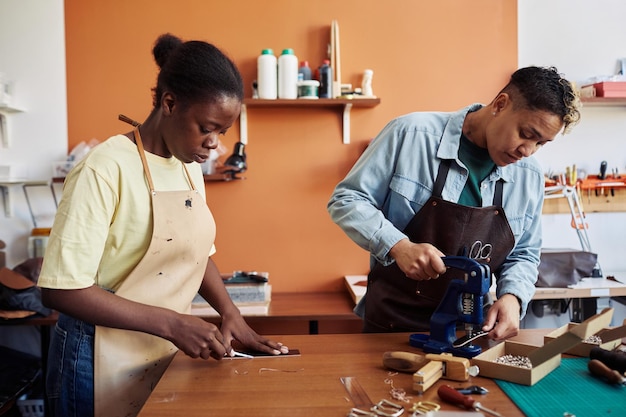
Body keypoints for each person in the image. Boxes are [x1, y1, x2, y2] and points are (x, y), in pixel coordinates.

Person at [37, 33, 288, 417]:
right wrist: (173, 324)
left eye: (221, 133)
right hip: (95, 356)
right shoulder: (104, 169)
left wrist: (230, 313)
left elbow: (195, 253)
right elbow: (61, 290)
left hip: (159, 348)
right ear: (169, 103)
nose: (213, 145)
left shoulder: (189, 169)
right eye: (207, 128)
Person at [328, 66, 581, 340]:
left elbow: (524, 253)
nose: (527, 151)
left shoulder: (528, 176)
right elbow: (347, 199)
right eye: (526, 133)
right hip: (390, 328)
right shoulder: (411, 135)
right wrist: (398, 246)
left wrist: (513, 297)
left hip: (471, 332)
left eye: (541, 143)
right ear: (500, 104)